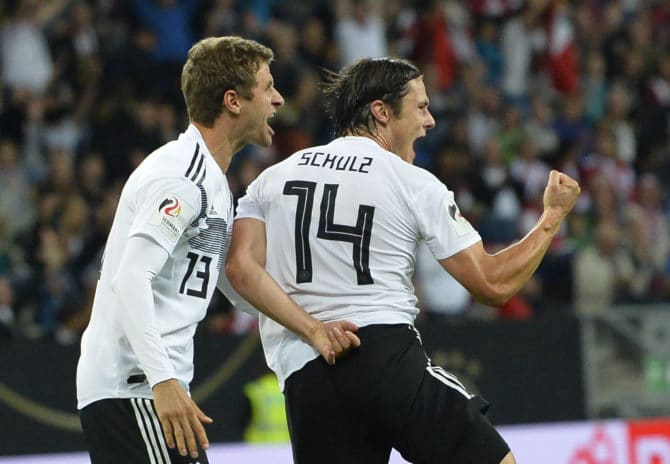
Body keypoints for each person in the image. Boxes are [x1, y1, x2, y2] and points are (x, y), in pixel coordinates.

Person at [226, 57, 581, 464]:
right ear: (381, 111)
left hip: (305, 373)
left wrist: (311, 328)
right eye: (421, 107)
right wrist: (552, 217)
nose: (429, 121)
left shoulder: (270, 180)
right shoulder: (411, 181)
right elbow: (493, 284)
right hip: (381, 354)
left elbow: (241, 269)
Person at [76, 36, 359, 464]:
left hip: (144, 387)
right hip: (136, 387)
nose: (278, 99)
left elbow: (233, 280)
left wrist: (313, 328)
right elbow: (130, 278)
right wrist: (162, 380)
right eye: (267, 87)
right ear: (232, 101)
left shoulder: (211, 182)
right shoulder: (182, 177)